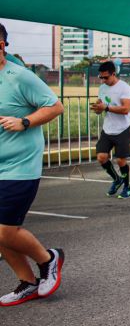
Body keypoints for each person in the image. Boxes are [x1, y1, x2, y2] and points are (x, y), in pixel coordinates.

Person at [0, 22, 66, 306]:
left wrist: (24, 121)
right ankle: (27, 282)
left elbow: (55, 106)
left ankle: (48, 259)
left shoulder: (19, 77)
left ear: (1, 45)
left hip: (19, 166)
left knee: (5, 229)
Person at [90, 61, 130, 199]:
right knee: (101, 157)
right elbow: (101, 105)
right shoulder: (102, 88)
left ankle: (127, 187)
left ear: (113, 74)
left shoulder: (124, 88)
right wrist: (98, 108)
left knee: (121, 161)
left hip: (122, 129)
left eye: (106, 77)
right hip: (107, 128)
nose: (103, 80)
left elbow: (126, 109)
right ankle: (117, 179)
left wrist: (106, 108)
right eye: (101, 77)